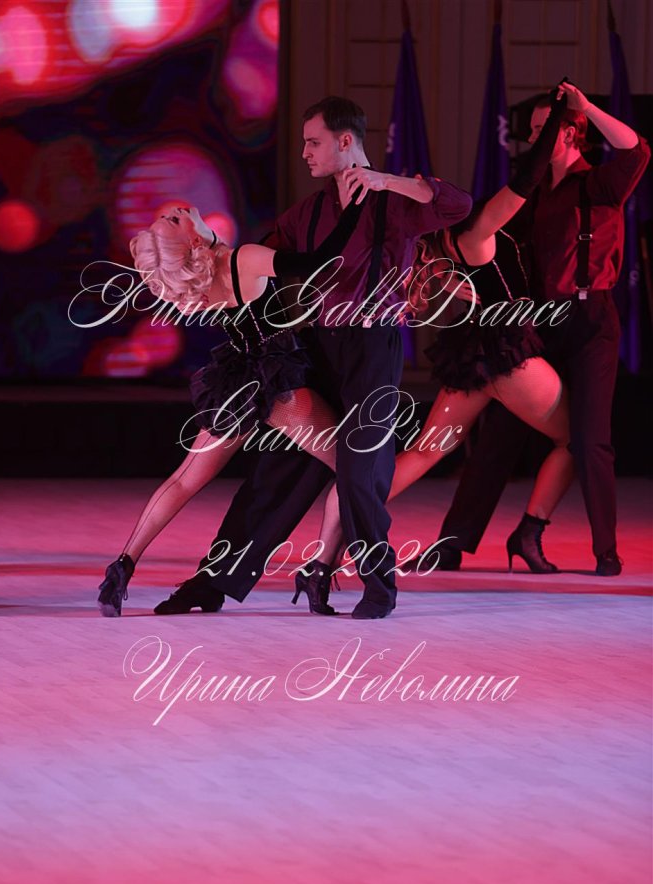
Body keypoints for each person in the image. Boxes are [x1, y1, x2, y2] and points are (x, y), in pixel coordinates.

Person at [153, 96, 473, 619]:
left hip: (373, 348)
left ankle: (379, 587)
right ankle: (212, 584)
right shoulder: (308, 212)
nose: (304, 152)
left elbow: (458, 205)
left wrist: (386, 181)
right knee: (276, 472)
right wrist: (203, 243)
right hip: (318, 348)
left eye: (313, 142)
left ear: (346, 141)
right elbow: (252, 261)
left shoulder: (394, 202)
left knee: (361, 470)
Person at [296, 85, 576, 606]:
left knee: (420, 454)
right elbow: (524, 180)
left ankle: (325, 557)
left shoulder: (426, 239)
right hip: (506, 356)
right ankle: (530, 530)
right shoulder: (476, 229)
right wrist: (557, 121)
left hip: (470, 360)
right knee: (578, 438)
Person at [415, 80, 650, 577]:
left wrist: (586, 106)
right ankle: (452, 545)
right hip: (539, 323)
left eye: (545, 128)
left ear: (571, 132)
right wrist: (460, 286)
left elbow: (637, 149)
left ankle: (599, 548)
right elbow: (488, 250)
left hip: (590, 322)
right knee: (498, 434)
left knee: (590, 439)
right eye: (532, 131)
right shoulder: (532, 196)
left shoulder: (599, 183)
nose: (535, 139)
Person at [98, 195, 364, 616]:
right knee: (355, 467)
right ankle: (319, 567)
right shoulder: (244, 259)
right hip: (278, 383)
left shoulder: (197, 279)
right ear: (192, 244)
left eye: (171, 215)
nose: (177, 210)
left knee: (184, 479)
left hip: (235, 381)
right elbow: (319, 263)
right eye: (173, 220)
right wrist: (356, 211)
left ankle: (121, 567)